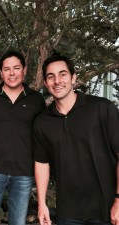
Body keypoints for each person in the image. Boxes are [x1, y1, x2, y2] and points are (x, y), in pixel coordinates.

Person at [34, 53, 119, 225]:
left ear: (73, 78)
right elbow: (42, 163)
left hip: (106, 208)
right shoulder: (42, 122)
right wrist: (42, 204)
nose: (57, 81)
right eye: (51, 77)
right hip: (68, 212)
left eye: (63, 74)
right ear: (45, 83)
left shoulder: (102, 108)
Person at [0, 50, 46, 225]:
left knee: (18, 222)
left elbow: (44, 131)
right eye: (7, 69)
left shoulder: (36, 99)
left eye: (16, 68)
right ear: (1, 72)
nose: (12, 73)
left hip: (23, 172)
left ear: (24, 70)